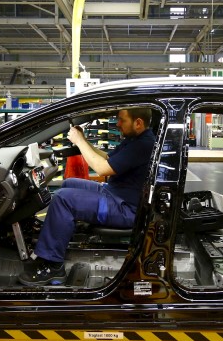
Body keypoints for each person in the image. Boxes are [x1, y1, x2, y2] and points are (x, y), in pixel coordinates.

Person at [18, 108, 155, 286]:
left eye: (122, 120)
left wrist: (80, 141)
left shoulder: (143, 144)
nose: (118, 124)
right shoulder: (136, 139)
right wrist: (85, 142)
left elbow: (102, 169)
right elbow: (107, 157)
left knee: (63, 198)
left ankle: (53, 266)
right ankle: (61, 233)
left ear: (138, 123)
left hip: (125, 208)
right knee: (69, 183)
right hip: (115, 193)